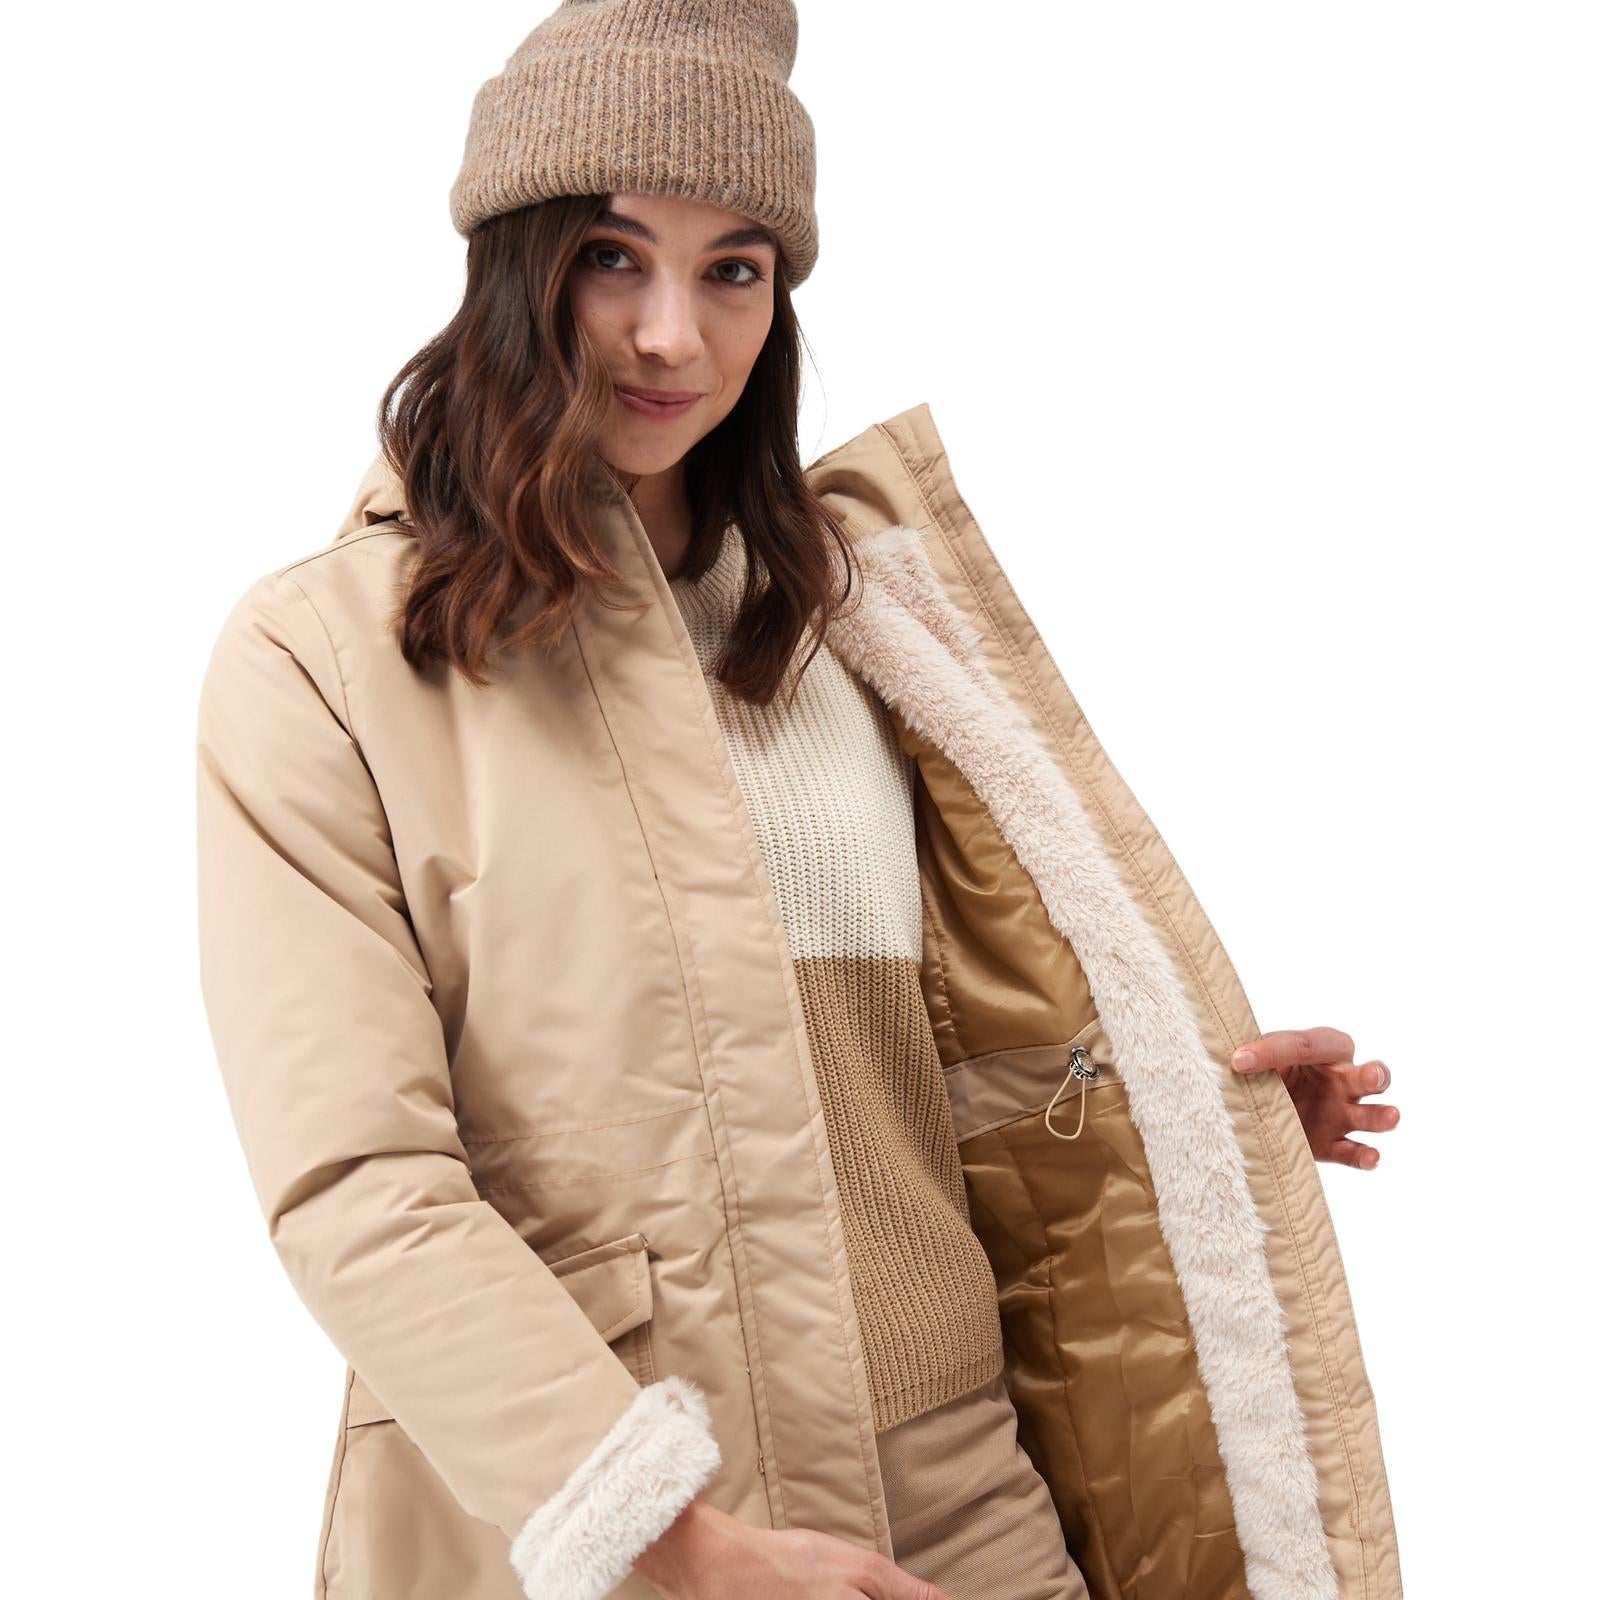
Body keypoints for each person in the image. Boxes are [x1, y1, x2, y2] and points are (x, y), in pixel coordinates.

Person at [195, 4, 1404, 1599]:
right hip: (624, 1517)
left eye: (735, 271)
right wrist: (673, 1540)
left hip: (968, 1488)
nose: (671, 337)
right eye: (612, 259)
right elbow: (360, 1187)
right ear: (510, 263)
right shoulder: (328, 657)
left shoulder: (846, 623)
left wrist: (1189, 1125)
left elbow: (907, 1075)